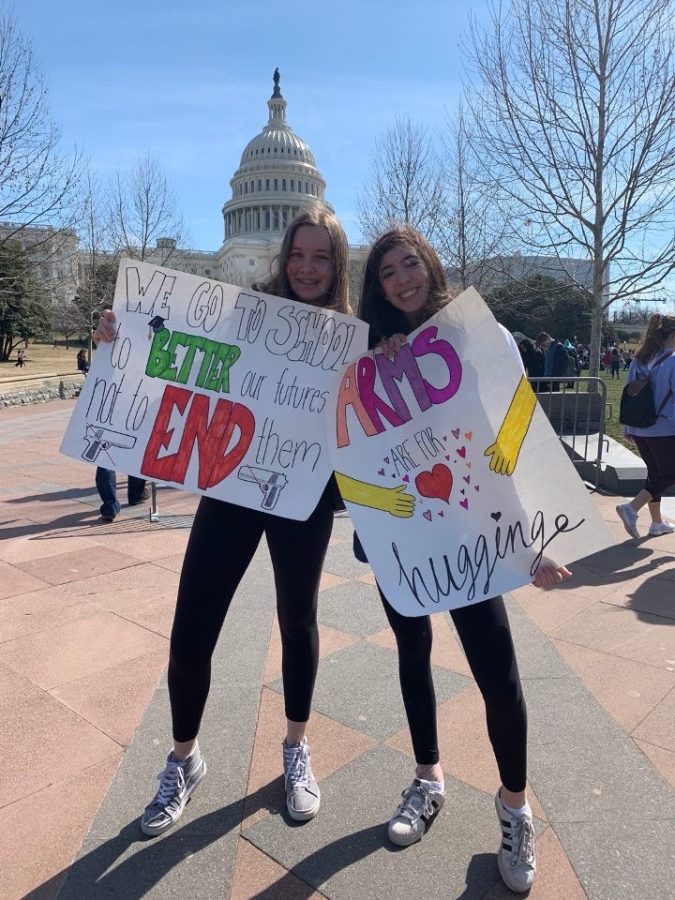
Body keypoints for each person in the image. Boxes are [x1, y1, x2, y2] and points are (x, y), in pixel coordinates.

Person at [94, 206, 351, 835]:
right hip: (231, 484)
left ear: (337, 264)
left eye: (320, 257)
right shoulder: (245, 312)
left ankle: (295, 748)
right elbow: (174, 353)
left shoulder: (350, 336)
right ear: (283, 256)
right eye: (298, 254)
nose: (307, 267)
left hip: (301, 495)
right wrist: (118, 335)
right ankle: (183, 757)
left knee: (299, 619)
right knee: (193, 622)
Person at [354, 227, 571, 894]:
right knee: (410, 650)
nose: (399, 279)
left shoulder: (481, 335)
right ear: (378, 286)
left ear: (429, 264)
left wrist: (539, 536)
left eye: (408, 263)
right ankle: (427, 778)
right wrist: (386, 369)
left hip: (475, 526)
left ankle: (514, 807)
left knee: (496, 675)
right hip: (409, 535)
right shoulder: (373, 353)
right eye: (387, 271)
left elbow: (517, 423)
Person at [616, 314, 675, 538]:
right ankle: (632, 508)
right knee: (670, 473)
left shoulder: (639, 359)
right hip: (665, 428)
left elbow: (629, 392)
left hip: (639, 427)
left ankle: (657, 523)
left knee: (655, 474)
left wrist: (628, 428)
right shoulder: (673, 360)